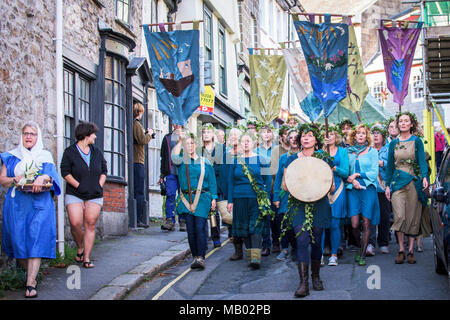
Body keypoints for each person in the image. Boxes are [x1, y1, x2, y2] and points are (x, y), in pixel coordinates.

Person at [0, 122, 61, 298]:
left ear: (38, 137)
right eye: (26, 133)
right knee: (18, 241)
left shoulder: (45, 156)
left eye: (32, 134)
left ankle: (30, 283)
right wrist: (14, 179)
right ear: (21, 135)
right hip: (17, 205)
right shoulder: (11, 156)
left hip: (39, 204)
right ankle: (32, 274)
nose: (28, 137)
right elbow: (2, 179)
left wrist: (43, 177)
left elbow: (52, 178)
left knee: (35, 239)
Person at [282, 123, 333, 298]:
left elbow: (331, 187)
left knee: (317, 241)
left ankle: (316, 276)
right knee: (302, 240)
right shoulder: (291, 160)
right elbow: (284, 186)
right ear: (299, 139)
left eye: (310, 135)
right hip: (298, 205)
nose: (306, 138)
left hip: (319, 204)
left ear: (316, 139)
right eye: (303, 135)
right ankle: (303, 283)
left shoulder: (324, 158)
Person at [61, 121, 107, 269]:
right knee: (75, 223)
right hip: (75, 193)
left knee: (90, 224)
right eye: (93, 133)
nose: (95, 136)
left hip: (94, 194)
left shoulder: (96, 152)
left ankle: (86, 257)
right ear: (86, 135)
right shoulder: (70, 152)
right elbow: (65, 172)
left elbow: (104, 171)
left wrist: (99, 184)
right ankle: (80, 246)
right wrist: (79, 186)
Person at [385, 112, 429, 264]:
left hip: (413, 182)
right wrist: (387, 186)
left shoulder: (417, 141)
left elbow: (422, 161)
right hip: (397, 183)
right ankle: (400, 249)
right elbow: (390, 166)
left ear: (411, 124)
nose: (403, 123)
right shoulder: (393, 143)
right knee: (399, 216)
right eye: (401, 121)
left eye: (406, 121)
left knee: (412, 217)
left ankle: (410, 250)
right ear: (397, 125)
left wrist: (424, 177)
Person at [171, 131, 218, 269]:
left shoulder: (205, 162)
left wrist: (214, 199)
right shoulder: (181, 160)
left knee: (199, 227)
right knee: (190, 230)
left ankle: (201, 257)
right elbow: (174, 157)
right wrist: (180, 140)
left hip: (202, 199)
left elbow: (212, 182)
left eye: (192, 143)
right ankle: (195, 257)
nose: (190, 146)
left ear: (196, 144)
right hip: (186, 199)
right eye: (187, 144)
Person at [227, 130, 271, 269]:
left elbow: (267, 180)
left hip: (257, 199)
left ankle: (256, 258)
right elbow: (230, 182)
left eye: (248, 141)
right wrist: (230, 201)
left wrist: (267, 198)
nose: (245, 144)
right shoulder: (235, 161)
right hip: (239, 198)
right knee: (244, 228)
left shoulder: (261, 160)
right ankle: (250, 256)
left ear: (254, 143)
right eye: (243, 141)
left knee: (255, 226)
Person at [346, 124, 380, 266]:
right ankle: (359, 246)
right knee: (354, 224)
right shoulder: (348, 152)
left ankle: (363, 252)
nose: (361, 135)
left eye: (363, 133)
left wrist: (359, 174)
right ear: (354, 136)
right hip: (352, 189)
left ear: (367, 136)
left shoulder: (372, 151)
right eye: (358, 133)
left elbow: (374, 172)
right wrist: (352, 179)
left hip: (368, 188)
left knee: (366, 222)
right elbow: (345, 171)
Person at [322, 126, 349, 266]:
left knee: (334, 224)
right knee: (320, 224)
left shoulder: (343, 152)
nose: (330, 136)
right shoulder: (319, 152)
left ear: (336, 136)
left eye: (332, 134)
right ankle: (319, 254)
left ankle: (333, 255)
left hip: (338, 189)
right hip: (321, 190)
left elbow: (346, 172)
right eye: (327, 134)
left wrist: (334, 168)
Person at [273, 128, 299, 261]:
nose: (294, 139)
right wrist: (276, 197)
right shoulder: (283, 157)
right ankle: (284, 248)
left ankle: (295, 248)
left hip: (299, 194)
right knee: (283, 222)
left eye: (296, 137)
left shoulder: (303, 156)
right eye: (291, 137)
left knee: (296, 222)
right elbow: (278, 177)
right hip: (285, 195)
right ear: (287, 140)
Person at [198, 123, 223, 248]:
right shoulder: (199, 150)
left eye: (208, 132)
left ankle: (216, 237)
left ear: (213, 134)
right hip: (201, 186)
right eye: (204, 132)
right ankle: (204, 237)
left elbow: (221, 168)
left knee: (214, 213)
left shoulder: (219, 149)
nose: (206, 134)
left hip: (215, 185)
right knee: (202, 213)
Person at [368, 125, 391, 255]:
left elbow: (393, 166)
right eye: (373, 133)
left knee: (384, 216)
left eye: (378, 133)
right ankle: (370, 243)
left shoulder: (387, 150)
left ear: (383, 137)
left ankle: (383, 243)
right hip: (370, 187)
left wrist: (383, 163)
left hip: (383, 188)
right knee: (370, 216)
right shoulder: (368, 150)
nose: (375, 135)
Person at [160, 124, 186, 232]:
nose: (176, 124)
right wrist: (162, 175)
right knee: (170, 195)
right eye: (174, 122)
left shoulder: (187, 137)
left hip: (183, 172)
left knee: (183, 196)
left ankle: (183, 220)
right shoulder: (167, 138)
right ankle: (170, 220)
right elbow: (163, 157)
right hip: (170, 172)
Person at [256, 124, 277, 256]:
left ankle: (277, 242)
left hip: (275, 186)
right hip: (262, 188)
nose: (267, 135)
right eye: (264, 132)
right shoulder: (257, 150)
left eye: (269, 132)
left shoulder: (277, 149)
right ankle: (266, 244)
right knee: (264, 218)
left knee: (276, 218)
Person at [133, 102, 154, 228]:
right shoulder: (136, 124)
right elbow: (142, 140)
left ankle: (139, 218)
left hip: (138, 160)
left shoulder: (136, 125)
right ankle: (138, 219)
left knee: (139, 190)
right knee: (139, 190)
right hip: (137, 161)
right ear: (139, 112)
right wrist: (149, 134)